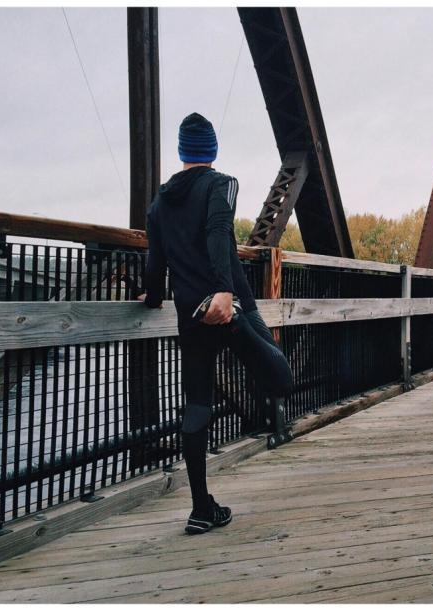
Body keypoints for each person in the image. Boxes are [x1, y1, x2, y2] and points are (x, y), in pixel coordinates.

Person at [138, 112, 293, 535]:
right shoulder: (222, 184)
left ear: (182, 152)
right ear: (212, 150)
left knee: (197, 406)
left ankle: (201, 507)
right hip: (229, 306)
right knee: (280, 379)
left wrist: (151, 298)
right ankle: (241, 330)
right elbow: (217, 231)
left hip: (190, 315)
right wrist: (227, 293)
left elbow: (156, 262)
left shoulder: (158, 203)